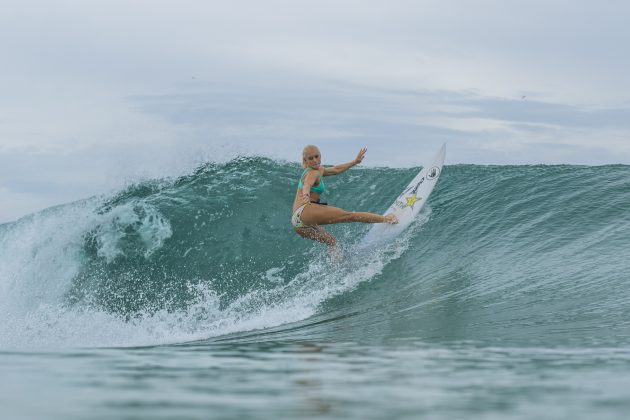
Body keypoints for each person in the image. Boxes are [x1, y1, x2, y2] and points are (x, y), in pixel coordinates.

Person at [291, 145, 398, 252]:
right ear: (305, 160)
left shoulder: (319, 170)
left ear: (320, 156)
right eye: (310, 158)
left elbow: (336, 169)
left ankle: (337, 267)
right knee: (350, 215)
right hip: (305, 210)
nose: (315, 160)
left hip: (297, 223)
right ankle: (386, 219)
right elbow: (307, 184)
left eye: (316, 156)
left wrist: (355, 161)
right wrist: (306, 193)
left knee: (332, 242)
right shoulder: (312, 173)